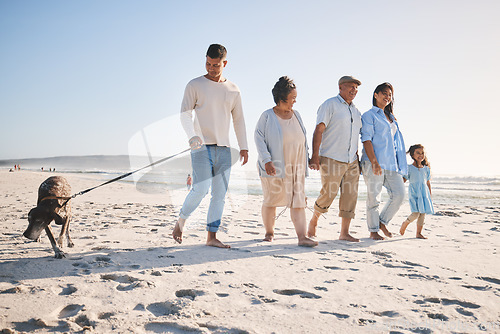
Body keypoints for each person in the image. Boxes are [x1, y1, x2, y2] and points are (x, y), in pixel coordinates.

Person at [172, 44, 249, 248]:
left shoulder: (233, 89)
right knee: (200, 189)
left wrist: (244, 147)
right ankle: (181, 222)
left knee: (220, 195)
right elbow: (185, 114)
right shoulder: (194, 85)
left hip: (225, 149)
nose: (211, 68)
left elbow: (239, 120)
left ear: (225, 63)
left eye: (215, 65)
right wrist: (192, 136)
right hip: (200, 147)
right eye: (207, 63)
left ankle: (212, 237)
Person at [255, 76, 317, 247]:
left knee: (298, 200)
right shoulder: (267, 116)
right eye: (292, 98)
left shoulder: (297, 115)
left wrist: (308, 159)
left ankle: (302, 237)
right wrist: (267, 160)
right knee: (271, 199)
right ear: (282, 98)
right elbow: (259, 138)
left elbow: (302, 139)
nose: (294, 102)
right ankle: (269, 232)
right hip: (274, 166)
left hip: (296, 165)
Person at [308, 76, 363, 242]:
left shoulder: (356, 111)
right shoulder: (329, 104)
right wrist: (315, 157)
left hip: (352, 160)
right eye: (350, 87)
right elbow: (318, 130)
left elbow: (355, 137)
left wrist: (358, 158)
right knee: (328, 193)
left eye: (356, 88)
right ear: (340, 87)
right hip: (331, 157)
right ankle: (314, 220)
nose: (354, 90)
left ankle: (344, 233)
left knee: (350, 196)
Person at [360, 82, 407, 240]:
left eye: (390, 95)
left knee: (399, 195)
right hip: (373, 162)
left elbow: (395, 144)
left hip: (391, 164)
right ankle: (373, 231)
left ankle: (381, 222)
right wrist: (374, 162)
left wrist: (402, 167)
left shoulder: (392, 118)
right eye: (384, 93)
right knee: (374, 197)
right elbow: (366, 139)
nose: (388, 97)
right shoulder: (369, 115)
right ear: (376, 95)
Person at [400, 144, 434, 239]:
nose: (420, 155)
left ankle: (418, 233)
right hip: (414, 193)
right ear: (412, 155)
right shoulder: (409, 168)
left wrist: (430, 196)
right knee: (415, 213)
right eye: (418, 153)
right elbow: (403, 180)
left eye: (422, 153)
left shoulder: (426, 169)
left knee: (422, 213)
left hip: (424, 194)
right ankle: (405, 223)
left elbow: (427, 183)